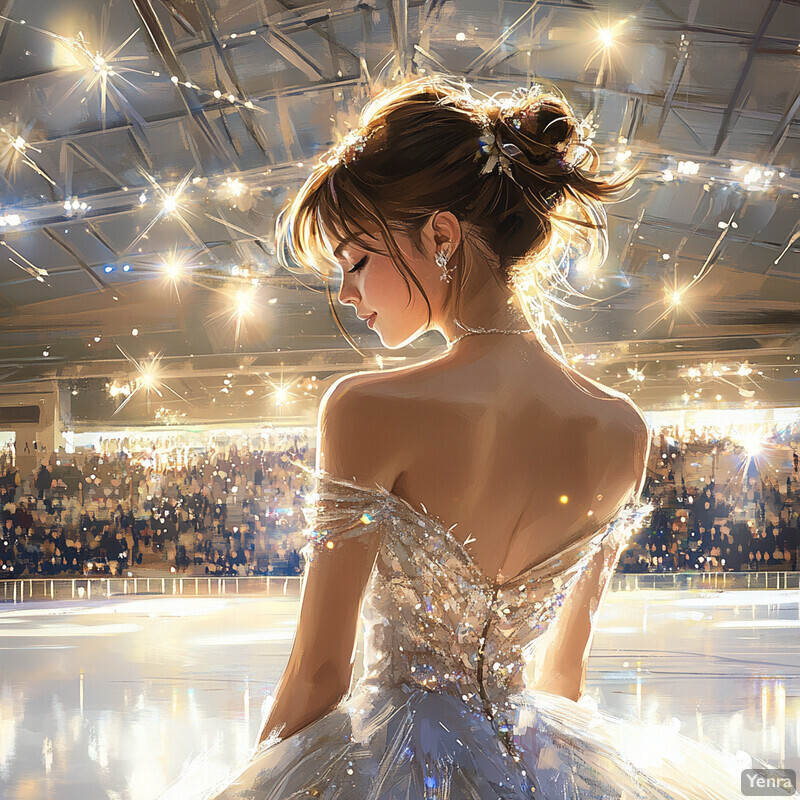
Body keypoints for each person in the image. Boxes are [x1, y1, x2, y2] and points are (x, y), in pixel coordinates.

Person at [205, 77, 755, 799]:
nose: (344, 292)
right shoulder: (622, 427)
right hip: (540, 760)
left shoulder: (368, 409)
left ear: (440, 235)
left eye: (355, 259)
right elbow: (563, 677)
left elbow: (319, 673)